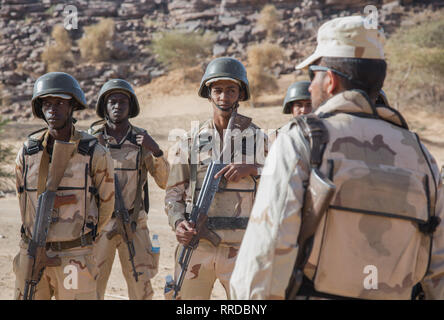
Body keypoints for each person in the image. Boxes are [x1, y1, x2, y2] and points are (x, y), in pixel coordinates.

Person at [230, 15, 444, 300]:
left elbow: (267, 251)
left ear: (329, 81)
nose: (309, 87)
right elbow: (437, 269)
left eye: (313, 75)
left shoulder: (303, 139)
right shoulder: (421, 155)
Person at [165, 57, 267, 299]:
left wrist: (254, 169)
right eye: (218, 90)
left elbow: (280, 189)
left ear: (240, 94)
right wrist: (178, 223)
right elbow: (173, 195)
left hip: (243, 249)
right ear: (208, 94)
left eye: (231, 90)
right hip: (197, 246)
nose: (224, 97)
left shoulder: (259, 139)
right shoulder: (189, 141)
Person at [13, 72, 115, 300]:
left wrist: (84, 242)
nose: (52, 109)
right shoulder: (27, 153)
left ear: (72, 106)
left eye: (59, 103)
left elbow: (107, 204)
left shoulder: (94, 153)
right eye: (47, 103)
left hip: (73, 256)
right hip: (31, 254)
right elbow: (22, 201)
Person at [89, 79, 169, 300]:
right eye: (112, 101)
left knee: (141, 287)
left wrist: (156, 151)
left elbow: (165, 181)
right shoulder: (91, 141)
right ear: (104, 106)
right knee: (91, 286)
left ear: (130, 106)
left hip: (134, 224)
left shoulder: (141, 139)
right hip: (99, 225)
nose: (117, 106)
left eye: (122, 101)